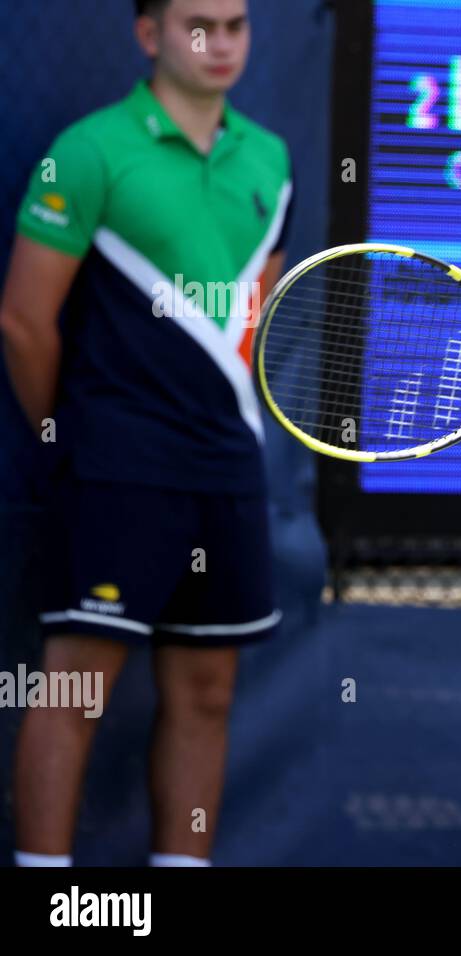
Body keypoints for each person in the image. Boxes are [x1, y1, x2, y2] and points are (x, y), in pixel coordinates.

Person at [0, 0, 293, 867]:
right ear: (148, 32)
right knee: (77, 687)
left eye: (236, 24)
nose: (221, 43)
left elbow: (256, 322)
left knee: (207, 690)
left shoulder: (271, 159)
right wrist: (73, 438)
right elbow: (23, 322)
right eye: (198, 23)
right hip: (116, 469)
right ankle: (53, 899)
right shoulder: (88, 150)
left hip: (228, 467)